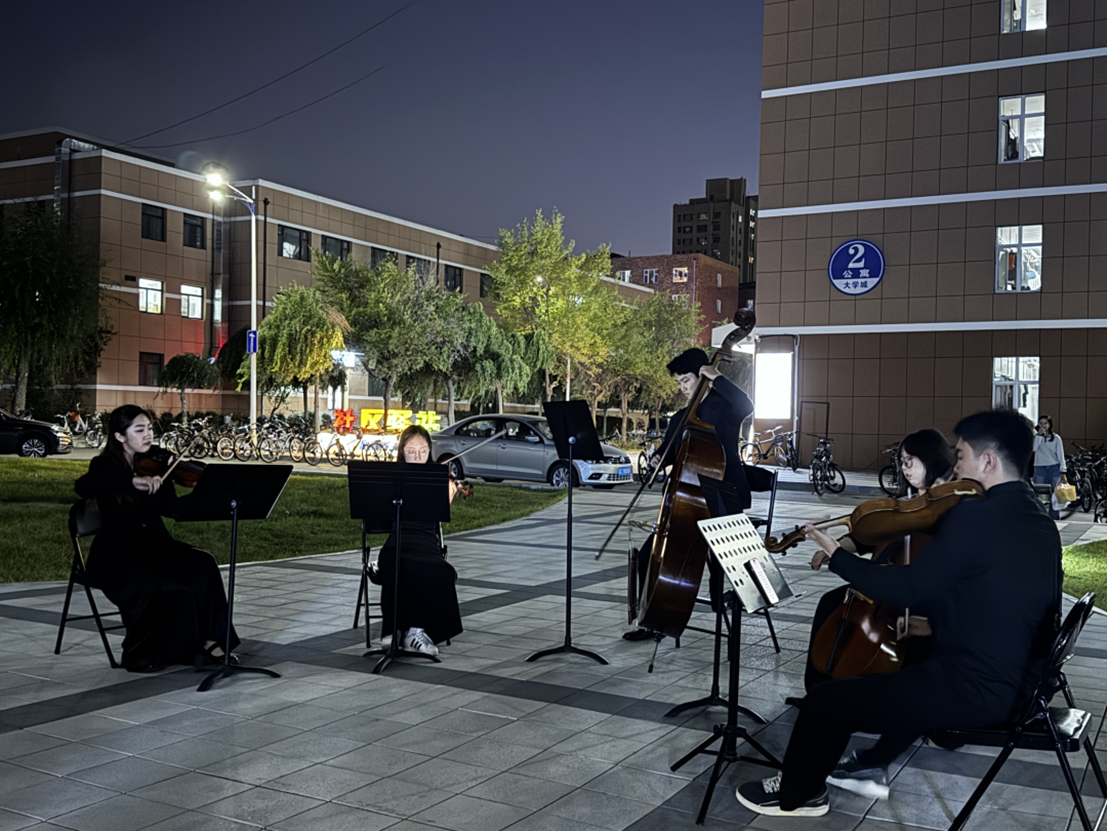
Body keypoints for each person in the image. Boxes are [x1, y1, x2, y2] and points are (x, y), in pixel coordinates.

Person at [735, 409, 1062, 818]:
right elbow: (1005, 601)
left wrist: (838, 555)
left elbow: (909, 587)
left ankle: (799, 796)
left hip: (976, 689)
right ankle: (869, 763)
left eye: (961, 456)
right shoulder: (1038, 521)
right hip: (1025, 687)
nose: (956, 468)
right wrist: (936, 623)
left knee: (825, 702)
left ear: (989, 460)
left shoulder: (977, 517)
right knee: (887, 684)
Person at [804, 428, 954, 799]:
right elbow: (866, 537)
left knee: (917, 638)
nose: (905, 469)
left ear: (932, 460)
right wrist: (836, 547)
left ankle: (921, 716)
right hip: (890, 586)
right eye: (901, 462)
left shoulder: (949, 509)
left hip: (924, 596)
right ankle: (820, 691)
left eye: (910, 461)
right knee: (832, 603)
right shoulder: (904, 504)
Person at [73, 405, 238, 672]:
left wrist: (206, 497)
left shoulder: (158, 464)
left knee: (203, 564)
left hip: (154, 546)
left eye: (150, 428)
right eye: (139, 430)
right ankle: (142, 653)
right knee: (165, 587)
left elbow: (170, 508)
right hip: (117, 555)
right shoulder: (104, 466)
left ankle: (209, 641)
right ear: (120, 436)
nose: (148, 435)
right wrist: (131, 482)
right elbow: (83, 486)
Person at [624, 347, 753, 640]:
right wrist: (659, 458)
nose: (682, 388)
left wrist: (717, 376)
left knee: (723, 556)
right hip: (688, 502)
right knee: (647, 556)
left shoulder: (724, 407)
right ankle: (651, 620)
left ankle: (725, 598)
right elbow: (669, 451)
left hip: (722, 495)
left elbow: (746, 405)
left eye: (686, 381)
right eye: (678, 383)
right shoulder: (681, 417)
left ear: (701, 377)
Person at [376, 425, 463, 656]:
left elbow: (437, 518)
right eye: (411, 452)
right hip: (397, 541)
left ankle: (416, 631)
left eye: (422, 452)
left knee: (441, 572)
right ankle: (393, 630)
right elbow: (377, 514)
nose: (417, 457)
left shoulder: (437, 476)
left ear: (429, 451)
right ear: (402, 451)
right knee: (394, 563)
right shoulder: (391, 476)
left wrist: (446, 499)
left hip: (426, 542)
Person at [1033, 415, 1068, 520]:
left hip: (1054, 468)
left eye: (1045, 423)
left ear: (1049, 425)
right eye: (1041, 423)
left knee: (1055, 495)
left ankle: (1054, 518)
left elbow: (1061, 456)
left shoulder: (1056, 438)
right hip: (1040, 468)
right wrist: (1039, 436)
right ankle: (1040, 518)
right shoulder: (1036, 437)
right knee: (1039, 495)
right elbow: (1034, 449)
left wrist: (1063, 471)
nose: (1043, 425)